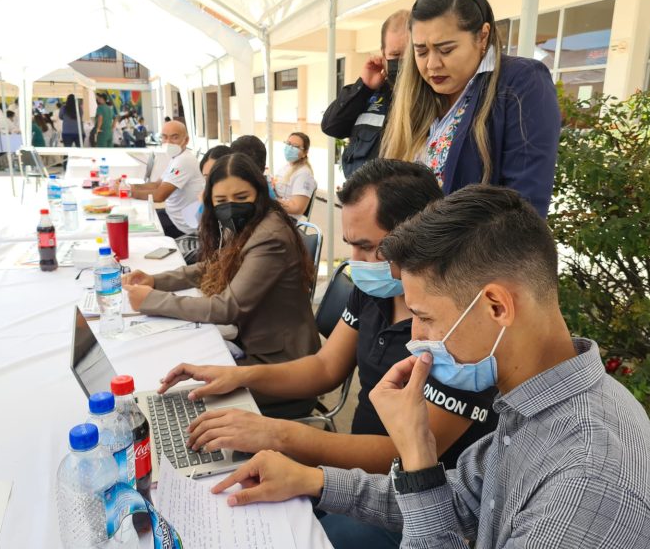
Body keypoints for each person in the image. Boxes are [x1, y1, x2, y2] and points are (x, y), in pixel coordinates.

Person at [211, 184, 650, 548]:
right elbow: (460, 502)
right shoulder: (548, 399)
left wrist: (418, 456)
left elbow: (436, 501)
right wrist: (313, 480)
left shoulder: (588, 485)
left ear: (496, 307)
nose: (416, 341)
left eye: (424, 318)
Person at [157, 160, 498, 548]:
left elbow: (406, 451)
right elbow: (325, 367)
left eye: (368, 247)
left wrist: (280, 434)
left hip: (416, 504)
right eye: (351, 243)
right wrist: (239, 376)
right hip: (352, 473)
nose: (355, 260)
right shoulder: (376, 287)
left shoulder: (458, 326)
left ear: (416, 236)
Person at [123, 153, 321, 419]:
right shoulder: (249, 225)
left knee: (180, 396)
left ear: (259, 193)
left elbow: (228, 308)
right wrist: (156, 280)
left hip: (282, 366)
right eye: (221, 201)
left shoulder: (269, 237)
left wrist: (152, 300)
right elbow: (211, 267)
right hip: (256, 348)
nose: (231, 207)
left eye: (241, 198)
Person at [381, 0, 560, 218]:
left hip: (479, 255)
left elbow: (525, 209)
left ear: (483, 36)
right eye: (420, 51)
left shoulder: (522, 82)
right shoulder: (417, 96)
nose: (432, 64)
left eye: (446, 49)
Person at [321, 10, 409, 179]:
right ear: (383, 54)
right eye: (396, 55)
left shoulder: (430, 94)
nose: (403, 61)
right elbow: (331, 126)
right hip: (361, 196)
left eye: (410, 54)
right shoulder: (368, 93)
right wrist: (365, 86)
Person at [125, 120, 202, 238]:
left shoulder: (184, 160)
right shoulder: (176, 157)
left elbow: (159, 195)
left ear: (186, 140)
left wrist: (128, 192)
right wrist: (128, 186)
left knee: (134, 230)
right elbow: (157, 185)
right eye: (164, 137)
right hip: (171, 214)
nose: (168, 142)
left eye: (174, 137)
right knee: (136, 218)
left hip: (181, 225)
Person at [275, 132, 317, 220]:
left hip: (286, 221)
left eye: (295, 146)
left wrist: (272, 199)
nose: (290, 148)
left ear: (305, 152)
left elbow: (297, 208)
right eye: (288, 144)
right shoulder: (286, 167)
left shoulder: (304, 174)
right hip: (276, 214)